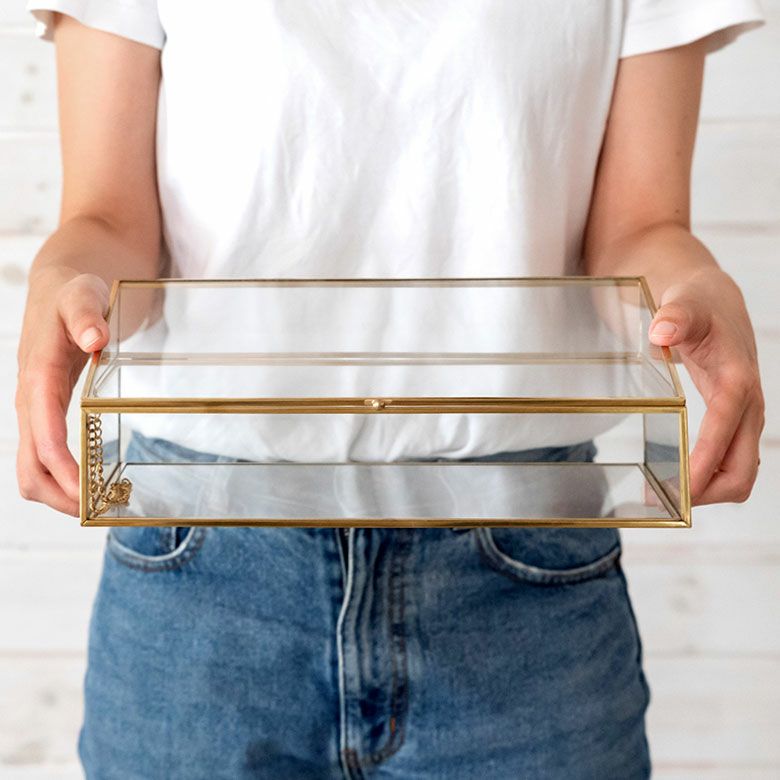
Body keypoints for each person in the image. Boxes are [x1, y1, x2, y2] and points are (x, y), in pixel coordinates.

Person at [16, 1, 766, 777]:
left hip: (522, 583)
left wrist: (691, 286)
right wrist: (64, 280)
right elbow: (108, 219)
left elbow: (639, 229)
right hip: (201, 583)